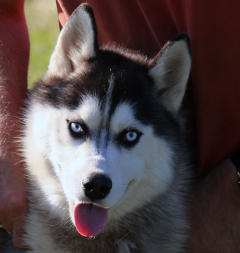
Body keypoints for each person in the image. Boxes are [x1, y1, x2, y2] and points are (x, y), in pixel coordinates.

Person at [1, 0, 240, 252]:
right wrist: (4, 148)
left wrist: (233, 186)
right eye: (77, 129)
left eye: (128, 137)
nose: (97, 170)